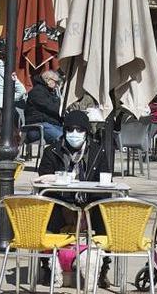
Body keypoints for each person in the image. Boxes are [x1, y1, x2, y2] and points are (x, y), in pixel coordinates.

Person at [38, 110, 112, 287]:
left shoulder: (97, 151)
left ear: (86, 132)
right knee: (47, 215)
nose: (74, 134)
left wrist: (89, 209)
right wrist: (65, 206)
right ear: (64, 131)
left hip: (89, 204)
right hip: (60, 203)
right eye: (70, 129)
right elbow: (42, 181)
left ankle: (102, 269)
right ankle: (48, 267)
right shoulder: (52, 151)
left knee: (106, 217)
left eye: (80, 130)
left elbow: (106, 181)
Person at [24, 71, 63, 144]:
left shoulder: (49, 91)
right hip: (38, 126)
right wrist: (63, 108)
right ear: (48, 80)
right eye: (56, 82)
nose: (57, 85)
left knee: (69, 135)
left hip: (51, 124)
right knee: (63, 138)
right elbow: (51, 106)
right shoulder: (37, 91)